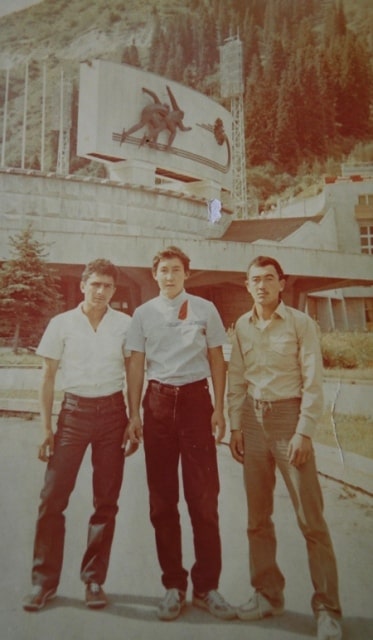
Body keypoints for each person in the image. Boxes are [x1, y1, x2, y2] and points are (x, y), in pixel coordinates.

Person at [228, 255, 342, 640]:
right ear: (247, 285)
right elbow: (237, 378)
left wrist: (304, 431)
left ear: (281, 283)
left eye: (269, 279)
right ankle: (266, 594)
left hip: (289, 422)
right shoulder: (241, 326)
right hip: (252, 423)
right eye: (255, 279)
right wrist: (235, 425)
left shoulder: (300, 324)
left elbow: (313, 378)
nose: (261, 285)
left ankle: (327, 609)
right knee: (257, 519)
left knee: (311, 520)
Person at [126, 245, 235, 621]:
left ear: (187, 273)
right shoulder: (142, 314)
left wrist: (219, 408)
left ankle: (207, 587)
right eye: (163, 270)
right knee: (162, 501)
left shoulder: (205, 309)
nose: (169, 276)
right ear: (154, 275)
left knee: (204, 499)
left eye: (176, 270)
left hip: (195, 403)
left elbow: (218, 359)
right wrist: (133, 413)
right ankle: (173, 585)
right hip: (156, 404)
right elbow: (137, 365)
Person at [23, 259, 135, 612]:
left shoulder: (125, 325)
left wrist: (135, 417)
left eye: (108, 286)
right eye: (95, 284)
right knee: (52, 498)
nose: (101, 291)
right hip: (73, 415)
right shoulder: (62, 324)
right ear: (83, 285)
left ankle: (93, 580)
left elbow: (134, 371)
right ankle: (43, 582)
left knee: (106, 501)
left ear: (115, 291)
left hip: (113, 414)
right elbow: (47, 376)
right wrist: (46, 427)